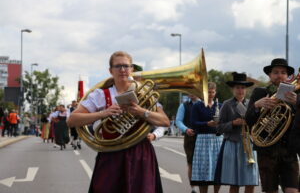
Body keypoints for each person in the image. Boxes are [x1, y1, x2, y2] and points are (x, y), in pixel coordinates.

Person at [67, 51, 170, 193]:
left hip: (140, 153)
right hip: (111, 154)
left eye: (126, 66)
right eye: (118, 66)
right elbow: (72, 120)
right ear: (111, 71)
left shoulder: (143, 92)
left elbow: (165, 121)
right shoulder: (100, 95)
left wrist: (142, 112)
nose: (122, 70)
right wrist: (103, 113)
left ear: (132, 69)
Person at [245, 58, 299, 193]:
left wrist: (297, 103)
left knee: (293, 190)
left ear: (287, 76)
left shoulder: (296, 94)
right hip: (267, 151)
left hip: (289, 150)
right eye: (275, 72)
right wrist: (257, 106)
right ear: (270, 75)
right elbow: (248, 119)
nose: (279, 75)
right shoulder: (260, 92)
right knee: (270, 191)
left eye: (283, 72)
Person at [215, 72, 259, 193]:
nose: (240, 90)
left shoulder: (252, 104)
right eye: (237, 88)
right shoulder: (226, 104)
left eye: (243, 88)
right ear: (233, 89)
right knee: (235, 183)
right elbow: (218, 128)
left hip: (249, 145)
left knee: (251, 182)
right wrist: (233, 123)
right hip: (233, 145)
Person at [190, 82, 223, 193]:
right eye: (208, 92)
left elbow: (224, 122)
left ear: (215, 92)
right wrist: (206, 124)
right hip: (203, 139)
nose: (210, 94)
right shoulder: (197, 106)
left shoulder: (220, 105)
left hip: (217, 139)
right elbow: (193, 122)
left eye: (212, 92)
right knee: (203, 171)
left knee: (217, 169)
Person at [176, 94, 200, 193]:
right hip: (190, 137)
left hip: (204, 137)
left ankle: (203, 187)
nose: (192, 93)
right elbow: (178, 121)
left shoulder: (204, 103)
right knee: (191, 163)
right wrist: (186, 129)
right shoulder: (183, 105)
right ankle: (193, 188)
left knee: (204, 163)